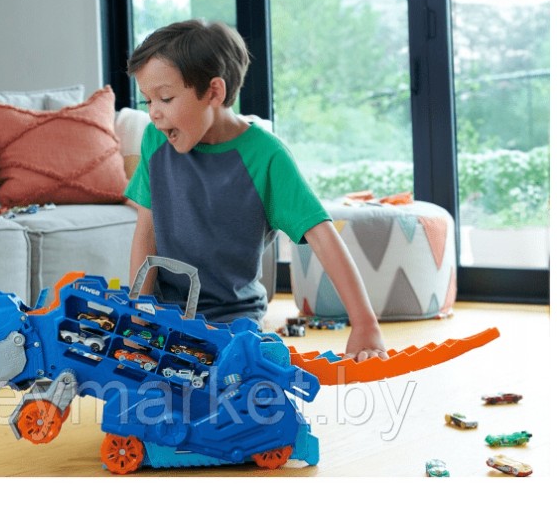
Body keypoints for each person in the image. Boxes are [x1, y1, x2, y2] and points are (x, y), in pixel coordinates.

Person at [124, 19, 387, 361]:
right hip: (165, 313)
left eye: (165, 98)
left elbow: (322, 237)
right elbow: (146, 233)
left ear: (214, 92)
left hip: (232, 320)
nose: (154, 114)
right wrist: (138, 317)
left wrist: (365, 323)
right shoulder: (155, 141)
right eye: (147, 101)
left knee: (243, 379)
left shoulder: (266, 156)